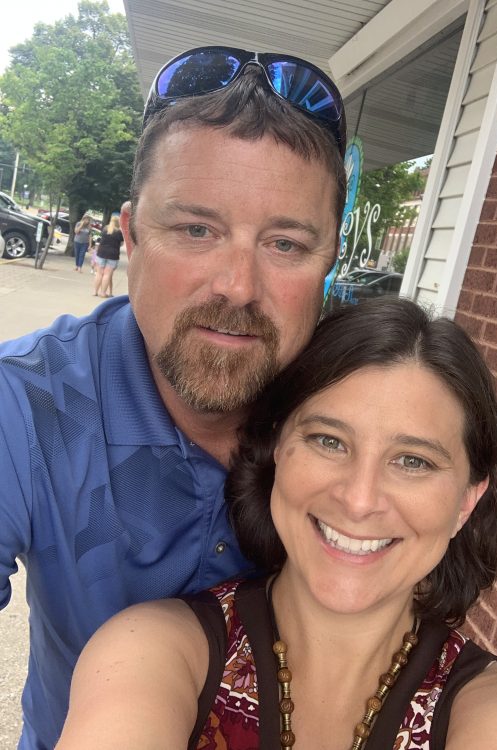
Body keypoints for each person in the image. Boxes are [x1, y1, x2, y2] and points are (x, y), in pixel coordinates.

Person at [0, 46, 346, 749]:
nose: (237, 285)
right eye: (196, 230)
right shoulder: (26, 404)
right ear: (128, 236)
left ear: (328, 265)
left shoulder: (365, 406)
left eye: (284, 244)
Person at [56, 298, 497, 749]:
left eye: (413, 461)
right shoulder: (155, 654)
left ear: (467, 502)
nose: (360, 500)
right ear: (277, 449)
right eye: (329, 441)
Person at [93, 213, 123, 298]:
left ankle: (95, 291)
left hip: (101, 252)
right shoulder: (119, 232)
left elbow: (101, 239)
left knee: (99, 273)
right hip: (113, 254)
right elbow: (121, 244)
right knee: (107, 274)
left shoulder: (105, 229)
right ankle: (103, 293)